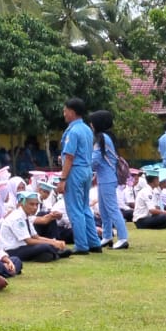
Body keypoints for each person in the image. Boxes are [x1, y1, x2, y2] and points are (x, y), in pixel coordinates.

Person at [58, 98, 102, 255]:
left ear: (72, 112)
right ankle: (94, 242)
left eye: (65, 111)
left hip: (74, 171)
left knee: (74, 209)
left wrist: (62, 179)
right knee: (84, 208)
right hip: (86, 170)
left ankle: (81, 245)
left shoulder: (73, 131)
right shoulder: (86, 129)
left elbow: (70, 156)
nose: (64, 113)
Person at [91, 110, 131, 250]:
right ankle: (107, 236)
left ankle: (123, 237)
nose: (90, 125)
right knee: (103, 209)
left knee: (112, 209)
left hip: (107, 178)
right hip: (105, 178)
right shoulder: (107, 137)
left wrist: (82, 164)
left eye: (92, 122)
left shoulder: (101, 138)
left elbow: (95, 159)